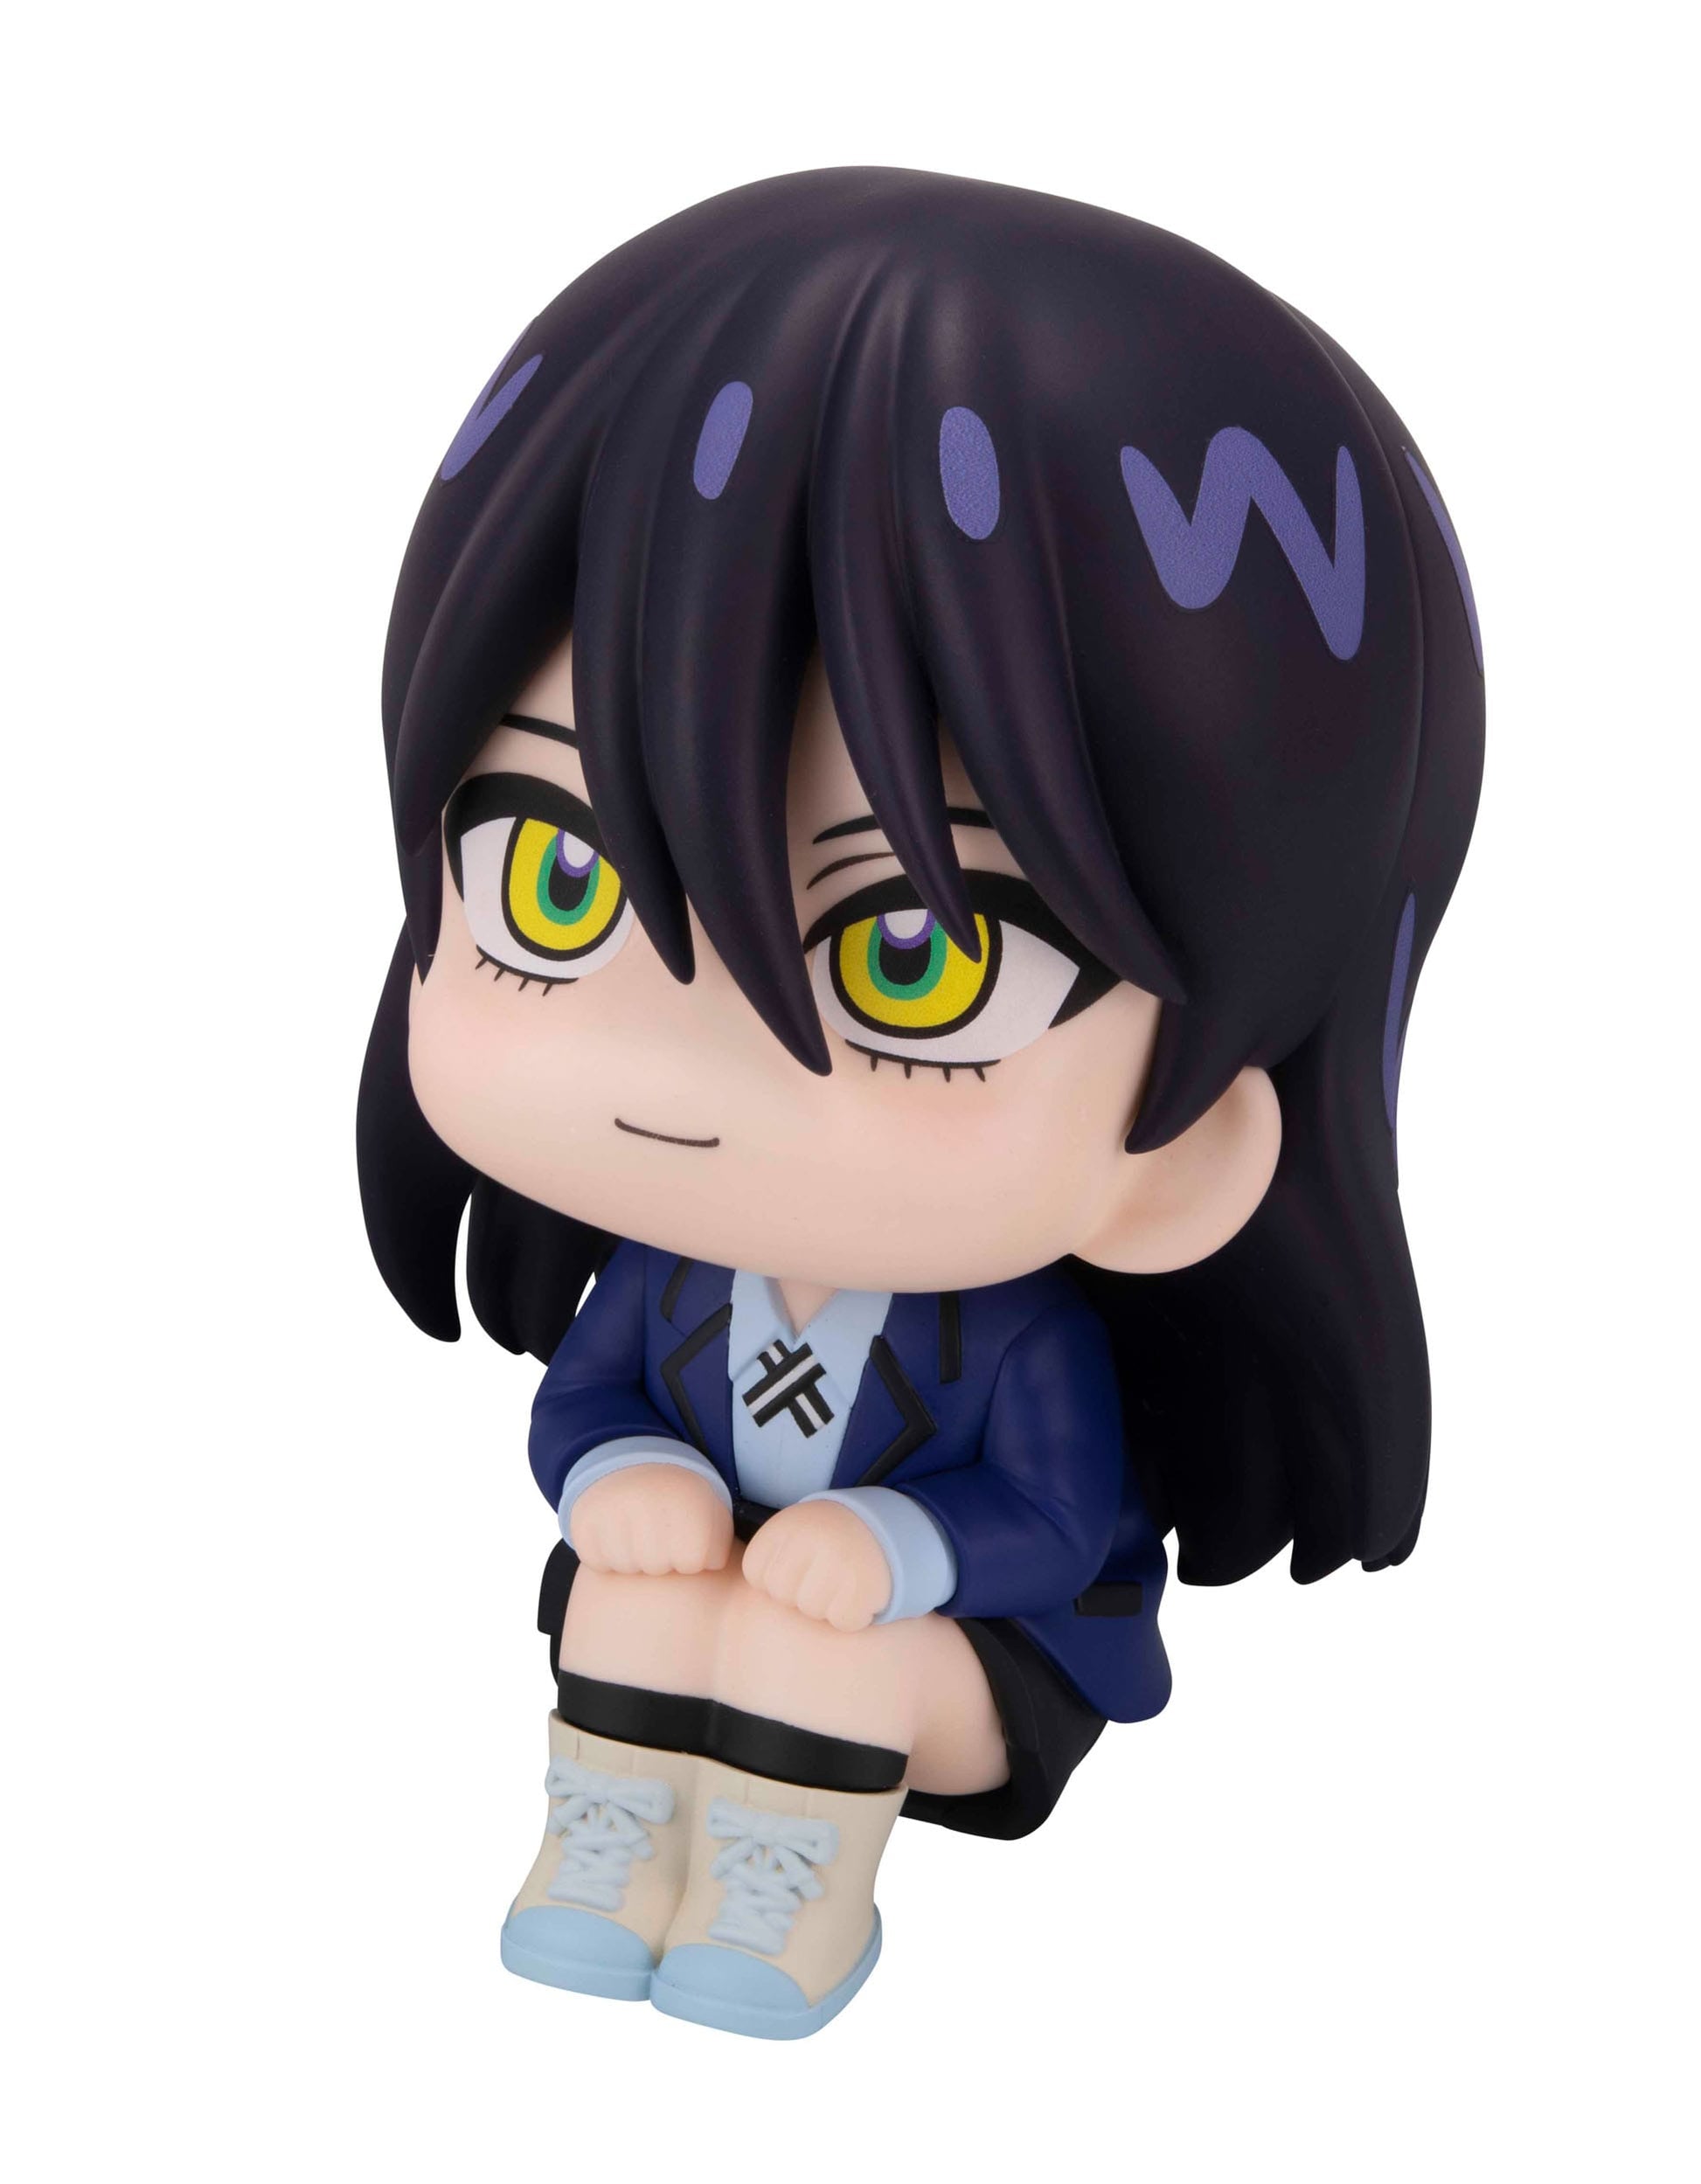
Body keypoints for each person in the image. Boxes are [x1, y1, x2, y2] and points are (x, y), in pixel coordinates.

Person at [358, 167, 1483, 2039]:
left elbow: (1052, 1511)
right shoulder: (673, 1282)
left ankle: (784, 1902)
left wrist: (901, 1550)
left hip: (965, 1648)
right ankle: (605, 1849)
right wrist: (623, 1475)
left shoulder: (1008, 1334)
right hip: (720, 1591)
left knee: (822, 1657)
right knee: (628, 1603)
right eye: (553, 879)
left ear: (1193, 1138)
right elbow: (589, 1402)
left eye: (918, 962)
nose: (677, 1063)